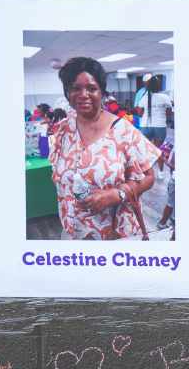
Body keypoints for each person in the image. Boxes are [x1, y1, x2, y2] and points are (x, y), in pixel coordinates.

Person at [48, 56, 159, 241]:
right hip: (73, 234)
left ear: (102, 92)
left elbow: (149, 177)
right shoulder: (62, 130)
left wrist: (117, 194)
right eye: (76, 88)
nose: (83, 94)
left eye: (91, 88)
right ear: (67, 92)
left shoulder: (123, 131)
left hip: (116, 235)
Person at [133, 74, 171, 145]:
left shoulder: (144, 97)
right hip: (160, 126)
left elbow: (140, 114)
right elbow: (169, 113)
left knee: (146, 149)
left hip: (145, 126)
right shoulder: (165, 97)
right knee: (157, 149)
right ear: (159, 86)